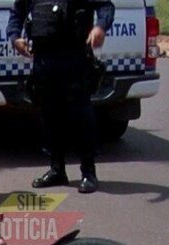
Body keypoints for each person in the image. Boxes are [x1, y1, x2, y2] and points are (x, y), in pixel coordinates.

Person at [7, 0, 114, 194]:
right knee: (51, 116)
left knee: (81, 116)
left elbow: (106, 6)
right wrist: (15, 37)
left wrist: (100, 27)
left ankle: (88, 172)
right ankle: (57, 169)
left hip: (74, 56)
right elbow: (17, 11)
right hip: (44, 59)